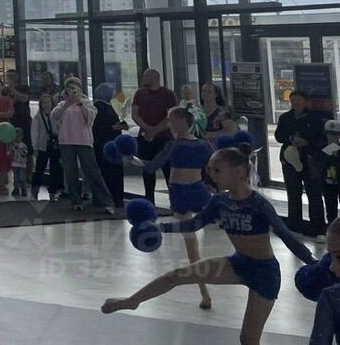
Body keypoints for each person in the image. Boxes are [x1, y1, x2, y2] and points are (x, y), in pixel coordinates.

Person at [103, 143, 317, 345]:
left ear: (239, 172)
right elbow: (194, 224)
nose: (211, 176)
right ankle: (132, 301)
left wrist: (314, 263)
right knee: (175, 276)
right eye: (210, 170)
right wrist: (161, 228)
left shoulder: (259, 205)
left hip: (265, 273)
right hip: (238, 264)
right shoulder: (219, 201)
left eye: (217, 170)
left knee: (248, 340)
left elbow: (287, 237)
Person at [131, 106, 216, 310]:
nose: (168, 124)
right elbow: (216, 165)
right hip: (191, 191)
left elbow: (152, 165)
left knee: (191, 244)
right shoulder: (199, 145)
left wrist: (131, 159)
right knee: (192, 244)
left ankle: (205, 292)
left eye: (171, 120)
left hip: (183, 192)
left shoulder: (177, 145)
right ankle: (204, 292)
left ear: (181, 122)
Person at [51, 77, 116, 214]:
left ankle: (106, 201)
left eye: (75, 88)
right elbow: (55, 116)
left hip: (84, 141)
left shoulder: (87, 103)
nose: (73, 91)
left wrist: (80, 103)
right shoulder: (62, 104)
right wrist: (67, 103)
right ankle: (76, 201)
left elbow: (89, 119)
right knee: (71, 173)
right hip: (66, 141)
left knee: (92, 171)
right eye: (70, 88)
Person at [277, 89, 327, 236]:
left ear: (305, 102)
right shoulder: (285, 118)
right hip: (290, 160)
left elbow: (322, 140)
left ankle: (318, 229)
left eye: (299, 100)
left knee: (314, 194)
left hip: (309, 160)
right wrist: (291, 139)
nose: (296, 103)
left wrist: (307, 142)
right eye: (293, 101)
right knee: (293, 194)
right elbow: (279, 136)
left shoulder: (315, 119)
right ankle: (294, 227)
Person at [132, 67, 178, 205]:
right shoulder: (139, 94)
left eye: (146, 76)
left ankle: (174, 201)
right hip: (145, 137)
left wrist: (155, 130)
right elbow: (135, 114)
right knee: (147, 168)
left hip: (164, 137)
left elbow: (170, 116)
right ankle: (149, 200)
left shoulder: (168, 94)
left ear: (154, 78)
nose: (143, 78)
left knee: (167, 168)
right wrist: (147, 128)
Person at [92, 82, 128, 207]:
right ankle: (112, 198)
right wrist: (113, 127)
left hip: (110, 143)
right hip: (104, 144)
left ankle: (114, 198)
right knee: (109, 172)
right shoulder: (98, 107)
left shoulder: (106, 106)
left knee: (112, 172)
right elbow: (96, 127)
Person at [309, 217, 340, 344]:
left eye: (339, 257)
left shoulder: (333, 298)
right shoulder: (332, 297)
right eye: (331, 257)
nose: (332, 267)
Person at [30, 92, 63, 201]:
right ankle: (35, 190)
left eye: (48, 102)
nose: (46, 105)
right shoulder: (38, 117)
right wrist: (35, 147)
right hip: (42, 145)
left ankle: (52, 191)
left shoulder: (56, 115)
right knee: (39, 168)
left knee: (55, 168)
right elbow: (35, 132)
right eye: (43, 103)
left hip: (55, 145)